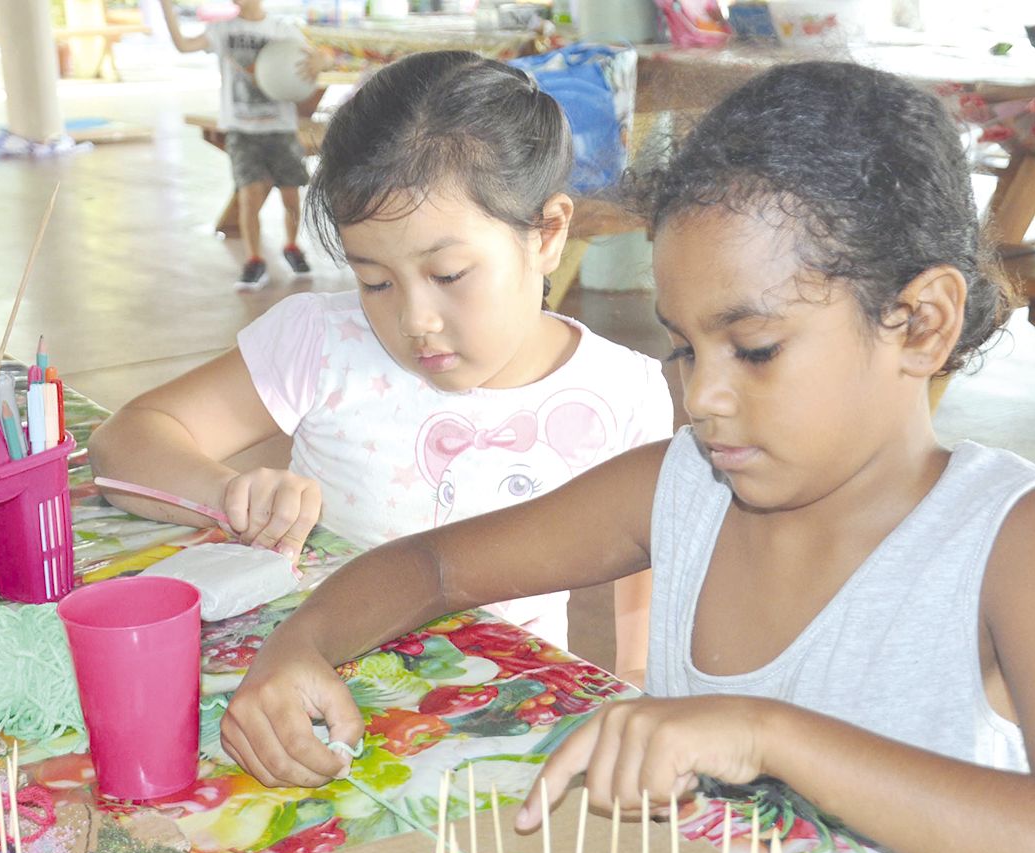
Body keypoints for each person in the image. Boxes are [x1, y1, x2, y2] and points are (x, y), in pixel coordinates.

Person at [215, 61, 1035, 853]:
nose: (703, 395)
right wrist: (300, 646)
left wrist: (766, 733)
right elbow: (432, 564)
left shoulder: (1008, 536)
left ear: (920, 324)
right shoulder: (678, 489)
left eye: (753, 349)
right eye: (684, 346)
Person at [89, 51, 673, 674]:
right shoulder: (322, 344)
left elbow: (641, 560)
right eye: (375, 281)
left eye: (448, 274)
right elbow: (126, 441)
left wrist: (636, 674)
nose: (414, 320)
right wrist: (228, 493)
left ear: (547, 234)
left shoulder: (623, 394)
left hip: (505, 701)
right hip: (310, 680)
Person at [158, 0, 324, 290]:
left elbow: (322, 57)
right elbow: (183, 45)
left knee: (290, 195)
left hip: (280, 129)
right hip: (242, 131)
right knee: (249, 195)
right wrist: (166, 7)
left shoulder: (282, 30)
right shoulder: (223, 30)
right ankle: (254, 259)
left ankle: (292, 246)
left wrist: (322, 61)